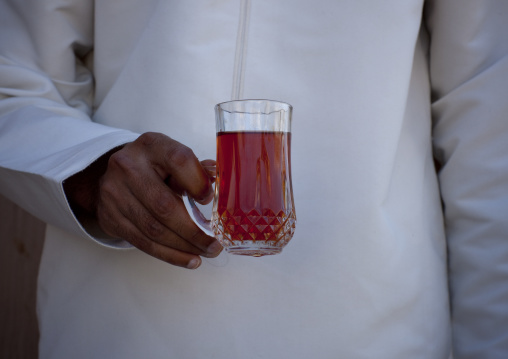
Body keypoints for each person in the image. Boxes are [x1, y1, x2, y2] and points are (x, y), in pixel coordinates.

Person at [1, 0, 507, 358]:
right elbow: (12, 78)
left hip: (375, 328)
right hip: (119, 329)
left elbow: (488, 125)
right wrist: (92, 168)